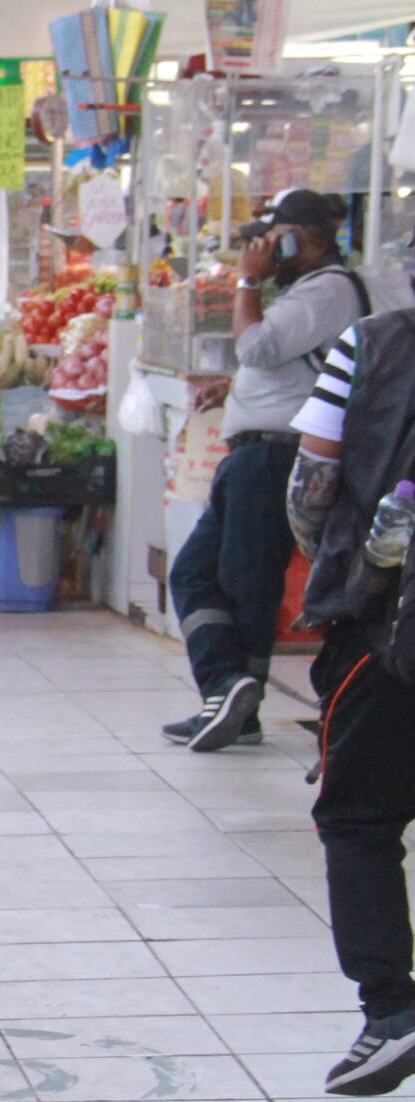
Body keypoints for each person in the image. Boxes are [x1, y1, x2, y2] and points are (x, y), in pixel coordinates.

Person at [166, 189, 370, 752]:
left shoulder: (328, 290)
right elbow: (284, 368)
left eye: (274, 238)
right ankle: (227, 691)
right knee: (195, 573)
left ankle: (234, 696)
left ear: (299, 237)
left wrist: (249, 280)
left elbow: (255, 346)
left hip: (275, 455)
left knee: (245, 581)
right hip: (255, 453)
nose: (265, 249)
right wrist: (231, 391)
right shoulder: (310, 292)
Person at [285, 310, 415, 1094]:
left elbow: (314, 481)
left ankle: (393, 1010)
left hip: (385, 627)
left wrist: (342, 568)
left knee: (358, 818)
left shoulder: (374, 341)